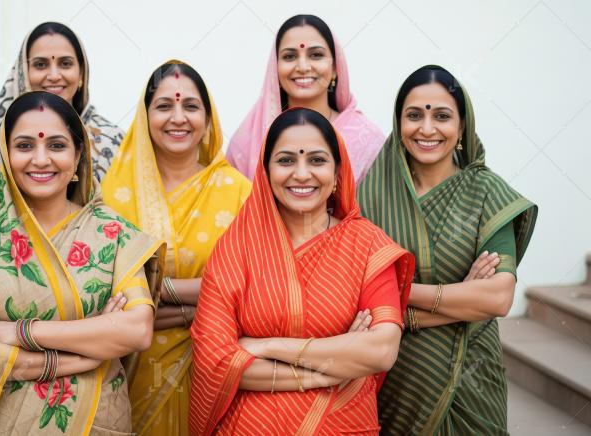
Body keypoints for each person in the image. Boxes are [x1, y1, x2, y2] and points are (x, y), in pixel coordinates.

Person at [0, 91, 162, 434]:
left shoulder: (112, 233)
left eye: (56, 145)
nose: (40, 159)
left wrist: (21, 331)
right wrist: (88, 347)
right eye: (24, 146)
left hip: (96, 421)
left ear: (78, 154)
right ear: (5, 154)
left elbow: (137, 330)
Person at [190, 108, 414, 435]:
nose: (302, 173)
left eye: (317, 160)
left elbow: (381, 350)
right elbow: (214, 361)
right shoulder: (236, 249)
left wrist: (267, 346)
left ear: (338, 173)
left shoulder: (367, 245)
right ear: (265, 172)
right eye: (285, 160)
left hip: (342, 424)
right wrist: (333, 367)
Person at [358, 65, 538, 434]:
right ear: (398, 122)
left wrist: (400, 296)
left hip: (470, 379)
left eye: (441, 116)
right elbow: (356, 296)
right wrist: (462, 294)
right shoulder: (372, 195)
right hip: (394, 379)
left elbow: (498, 298)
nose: (426, 129)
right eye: (414, 116)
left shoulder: (486, 193)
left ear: (462, 126)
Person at [101, 60, 252, 435]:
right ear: (145, 115)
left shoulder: (237, 191)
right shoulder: (114, 194)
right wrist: (195, 303)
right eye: (165, 106)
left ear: (208, 117)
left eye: (191, 106)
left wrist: (161, 295)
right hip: (130, 370)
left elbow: (253, 286)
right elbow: (105, 290)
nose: (178, 118)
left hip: (215, 370)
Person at [226, 14, 384, 184]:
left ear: (335, 67)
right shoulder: (247, 142)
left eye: (316, 55)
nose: (302, 67)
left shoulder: (367, 139)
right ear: (275, 68)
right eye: (289, 56)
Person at [0, 21, 125, 181]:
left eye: (65, 64)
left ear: (81, 72)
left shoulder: (112, 140)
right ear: (23, 72)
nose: (54, 76)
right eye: (40, 65)